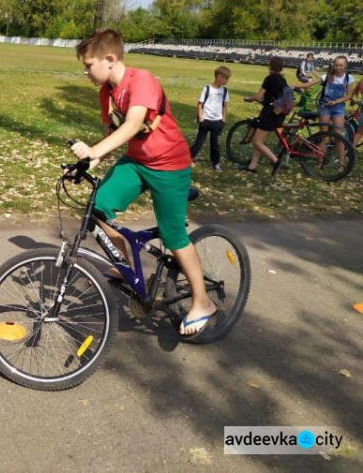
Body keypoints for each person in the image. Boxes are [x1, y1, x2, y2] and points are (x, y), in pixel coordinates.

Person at [70, 28, 216, 338]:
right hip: (137, 162)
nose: (85, 72)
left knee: (172, 234)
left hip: (169, 166)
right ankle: (128, 263)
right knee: (98, 207)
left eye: (88, 65)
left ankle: (203, 302)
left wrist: (95, 150)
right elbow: (112, 136)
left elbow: (135, 123)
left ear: (109, 59)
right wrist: (86, 163)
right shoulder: (106, 92)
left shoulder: (142, 81)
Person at [295, 55, 356, 162]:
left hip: (338, 108)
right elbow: (308, 84)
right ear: (333, 65)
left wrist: (336, 101)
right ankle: (320, 161)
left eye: (341, 65)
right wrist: (295, 85)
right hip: (325, 108)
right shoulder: (327, 76)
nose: (338, 67)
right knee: (322, 135)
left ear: (345, 66)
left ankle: (341, 163)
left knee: (338, 136)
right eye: (336, 65)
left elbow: (349, 95)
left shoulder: (348, 78)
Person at [241, 57, 288, 173]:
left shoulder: (269, 79)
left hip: (271, 113)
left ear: (270, 66)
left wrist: (249, 99)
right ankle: (252, 166)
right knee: (259, 139)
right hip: (280, 113)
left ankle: (275, 161)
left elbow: (258, 96)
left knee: (257, 142)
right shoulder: (283, 80)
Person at [190, 66, 231, 171]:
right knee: (199, 142)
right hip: (205, 121)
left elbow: (225, 106)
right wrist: (201, 118)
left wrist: (223, 119)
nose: (227, 81)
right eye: (226, 78)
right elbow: (199, 104)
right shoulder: (207, 89)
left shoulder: (225, 91)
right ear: (219, 77)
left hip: (218, 122)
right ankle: (188, 158)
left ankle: (216, 163)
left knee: (216, 144)